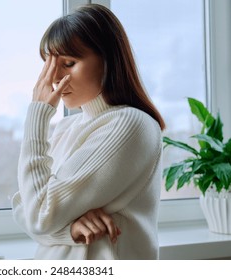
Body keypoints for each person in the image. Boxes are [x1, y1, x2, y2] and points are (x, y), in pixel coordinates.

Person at [12, 3, 165, 260]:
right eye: (49, 64)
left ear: (108, 61)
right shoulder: (66, 127)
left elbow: (39, 216)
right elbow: (25, 210)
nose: (54, 78)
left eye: (69, 63)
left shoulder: (130, 124)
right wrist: (68, 230)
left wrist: (37, 115)